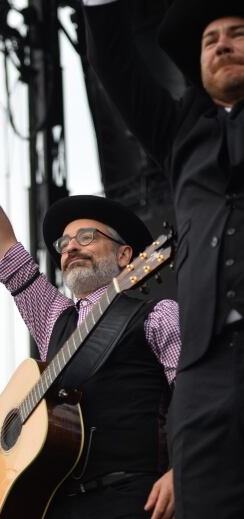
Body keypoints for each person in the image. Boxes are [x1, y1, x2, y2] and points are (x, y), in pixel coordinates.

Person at [0, 94, 180, 518]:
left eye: (87, 237)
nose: (71, 248)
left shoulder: (158, 315)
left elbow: (193, 394)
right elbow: (1, 244)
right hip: (54, 505)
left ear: (126, 257)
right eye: (63, 243)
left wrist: (181, 469)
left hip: (136, 500)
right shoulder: (54, 317)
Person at [82, 0, 244, 515]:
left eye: (238, 33)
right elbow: (115, 66)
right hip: (205, 362)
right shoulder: (179, 135)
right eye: (209, 38)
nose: (222, 43)